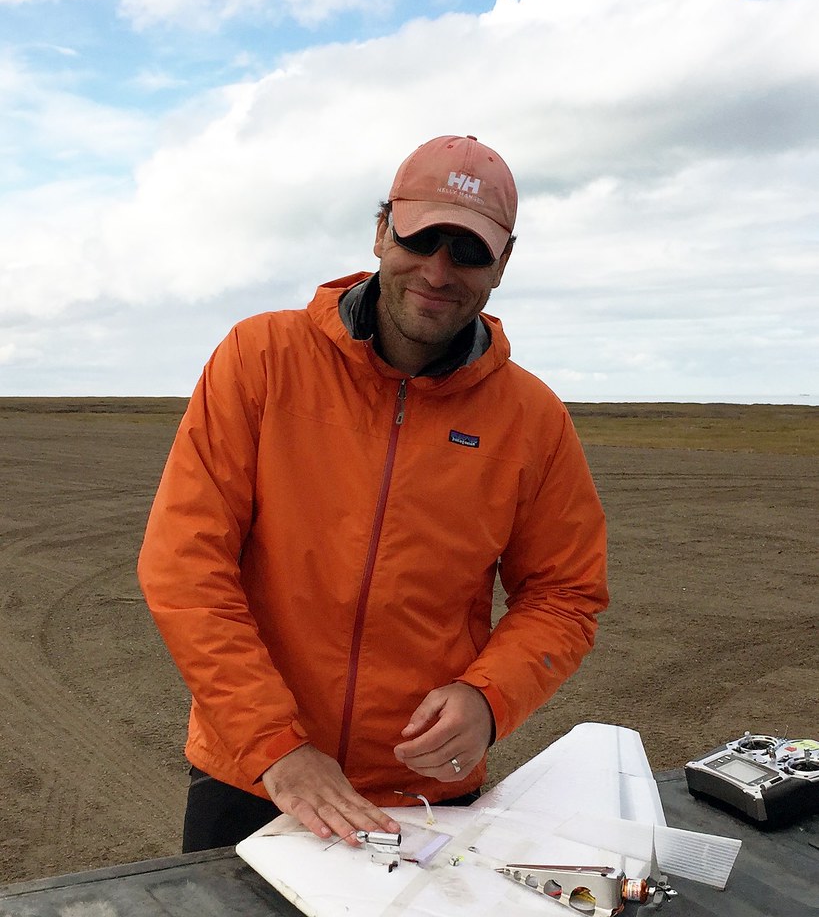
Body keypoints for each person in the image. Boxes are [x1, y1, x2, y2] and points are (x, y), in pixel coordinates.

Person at [137, 134, 608, 853]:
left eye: (469, 251)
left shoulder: (532, 418)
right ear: (382, 230)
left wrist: (487, 700)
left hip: (428, 798)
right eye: (422, 239)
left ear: (504, 263)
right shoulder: (260, 360)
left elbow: (565, 594)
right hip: (256, 777)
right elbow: (184, 568)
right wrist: (277, 747)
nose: (438, 271)